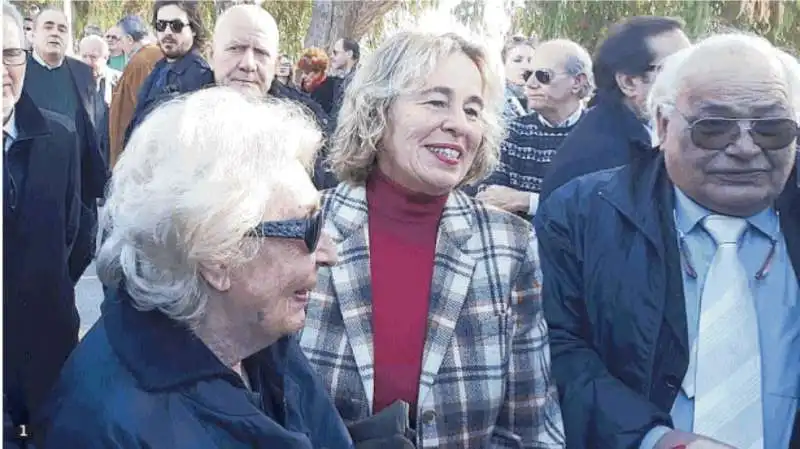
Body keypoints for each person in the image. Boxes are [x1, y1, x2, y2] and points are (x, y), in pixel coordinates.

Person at [36, 88, 353, 449]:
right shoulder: (104, 425)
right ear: (218, 257)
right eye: (307, 228)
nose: (328, 253)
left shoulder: (260, 341)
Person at [299, 30, 566, 448]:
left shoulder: (510, 245)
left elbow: (532, 429)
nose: (459, 124)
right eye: (436, 101)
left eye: (473, 110)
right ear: (378, 110)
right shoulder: (305, 225)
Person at [534, 34, 800, 449]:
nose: (746, 148)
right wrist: (654, 440)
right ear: (662, 124)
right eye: (714, 128)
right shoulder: (580, 215)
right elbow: (556, 349)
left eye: (772, 129)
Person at [3, 2, 82, 447]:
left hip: (43, 353)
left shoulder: (59, 137)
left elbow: (73, 230)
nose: (2, 69)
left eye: (10, 54)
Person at [539, 16, 690, 201]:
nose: (692, 76)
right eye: (677, 67)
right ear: (628, 83)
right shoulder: (601, 160)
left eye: (693, 63)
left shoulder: (643, 129)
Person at [24, 6, 108, 282]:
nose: (55, 33)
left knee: (70, 268)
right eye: (48, 26)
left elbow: (94, 127)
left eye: (62, 29)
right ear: (33, 33)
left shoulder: (82, 73)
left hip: (74, 195)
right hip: (28, 194)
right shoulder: (17, 71)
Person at [209, 4, 333, 190]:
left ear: (275, 64)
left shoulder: (308, 127)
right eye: (235, 48)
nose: (248, 64)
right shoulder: (178, 120)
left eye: (261, 53)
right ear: (211, 56)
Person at [477, 38, 592, 218]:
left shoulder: (601, 136)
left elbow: (596, 209)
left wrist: (527, 201)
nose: (530, 84)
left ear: (577, 82)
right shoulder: (511, 131)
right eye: (527, 75)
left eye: (543, 76)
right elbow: (488, 196)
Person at [124, 0, 213, 145]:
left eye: (176, 26)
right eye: (161, 25)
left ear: (194, 29)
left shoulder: (200, 76)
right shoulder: (159, 69)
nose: (167, 32)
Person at [108, 14, 163, 168]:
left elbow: (142, 109)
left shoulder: (142, 61)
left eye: (120, 40)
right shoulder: (151, 55)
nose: (119, 46)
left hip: (135, 153)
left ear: (130, 40)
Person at [501, 35, 536, 120]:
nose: (526, 66)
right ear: (504, 64)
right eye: (517, 60)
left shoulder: (542, 99)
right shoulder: (495, 100)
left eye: (531, 61)